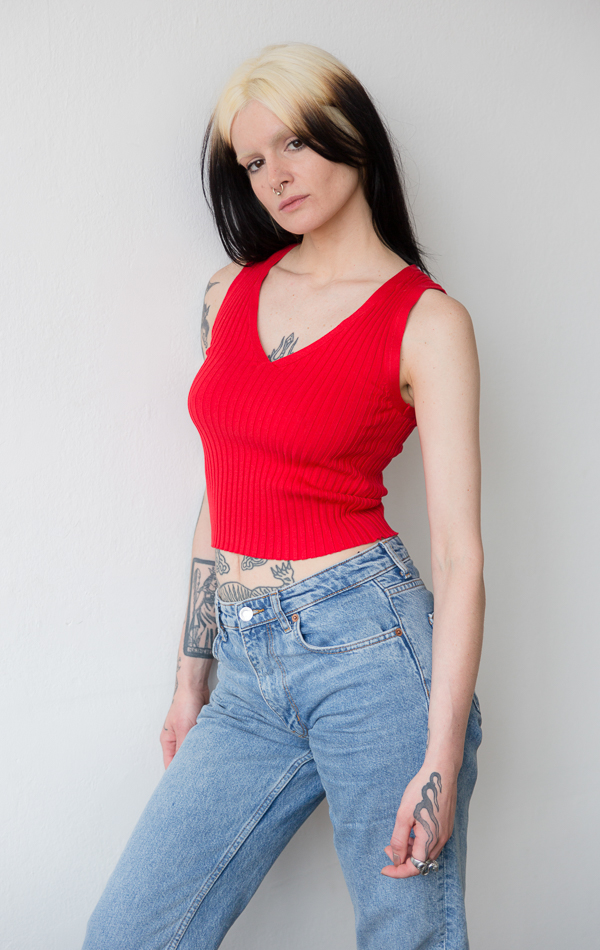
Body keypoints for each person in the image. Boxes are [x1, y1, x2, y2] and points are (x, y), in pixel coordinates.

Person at [83, 42, 484, 950]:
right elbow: (222, 488)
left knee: (407, 935)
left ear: (351, 135)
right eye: (254, 161)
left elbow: (461, 556)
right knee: (129, 933)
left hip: (372, 656)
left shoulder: (427, 321)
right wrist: (190, 679)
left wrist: (441, 755)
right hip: (246, 664)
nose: (275, 177)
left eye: (295, 143)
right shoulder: (230, 294)